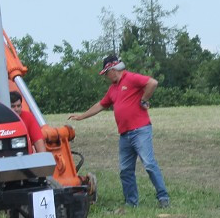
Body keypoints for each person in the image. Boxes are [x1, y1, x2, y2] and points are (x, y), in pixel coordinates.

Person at [68, 54, 170, 209]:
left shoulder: (131, 78)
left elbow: (152, 83)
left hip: (140, 130)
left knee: (149, 164)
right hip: (125, 135)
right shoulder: (113, 89)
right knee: (125, 171)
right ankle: (131, 202)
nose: (107, 77)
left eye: (106, 73)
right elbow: (101, 105)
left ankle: (163, 198)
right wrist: (82, 117)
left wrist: (144, 99)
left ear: (113, 69)